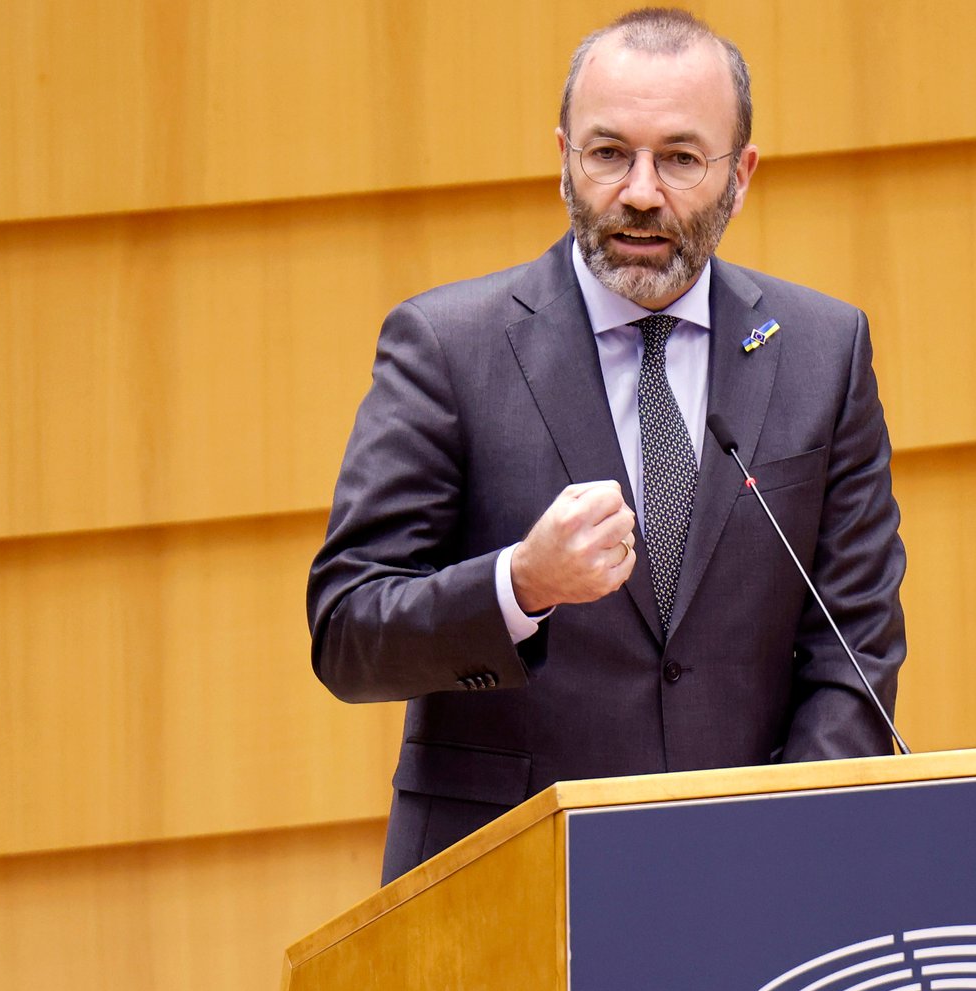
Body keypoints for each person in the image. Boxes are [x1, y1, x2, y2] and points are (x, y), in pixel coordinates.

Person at [307, 7, 906, 884]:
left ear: (740, 175)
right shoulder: (448, 349)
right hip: (503, 887)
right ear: (562, 160)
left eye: (679, 157)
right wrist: (518, 585)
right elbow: (348, 632)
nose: (639, 191)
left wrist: (774, 852)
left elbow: (855, 649)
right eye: (608, 152)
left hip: (748, 886)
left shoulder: (823, 351)